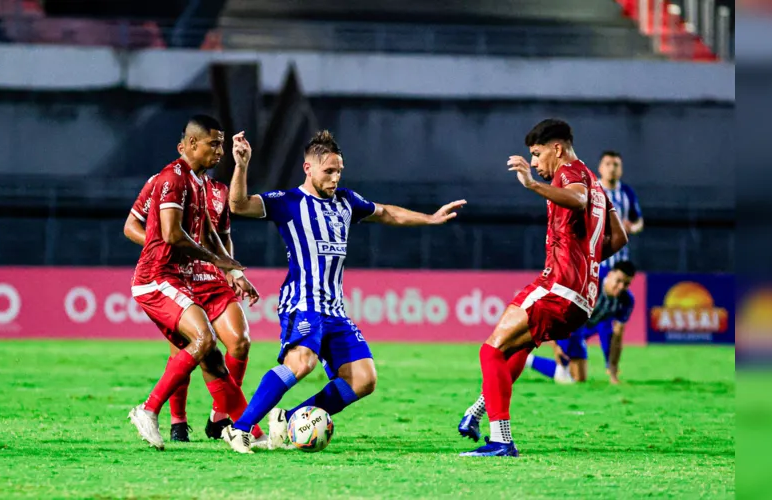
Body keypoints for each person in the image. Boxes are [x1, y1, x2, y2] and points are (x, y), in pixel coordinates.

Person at [219, 129, 467, 453]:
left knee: (364, 379)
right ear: (308, 168)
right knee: (302, 362)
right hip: (302, 302)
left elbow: (387, 212)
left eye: (339, 171)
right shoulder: (288, 202)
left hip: (335, 309)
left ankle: (289, 419)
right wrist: (241, 165)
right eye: (328, 171)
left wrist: (430, 219)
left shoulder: (346, 201)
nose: (335, 178)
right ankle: (239, 429)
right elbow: (238, 204)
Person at [459, 119, 628, 458]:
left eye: (536, 155)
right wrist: (587, 258)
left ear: (557, 149)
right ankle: (478, 411)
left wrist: (532, 185)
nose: (534, 163)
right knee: (516, 349)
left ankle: (501, 440)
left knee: (490, 350)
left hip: (559, 286)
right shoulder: (598, 185)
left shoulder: (571, 175)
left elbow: (577, 200)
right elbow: (620, 238)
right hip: (583, 299)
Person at [126, 115, 256, 451]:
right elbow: (171, 235)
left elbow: (212, 233)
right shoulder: (171, 178)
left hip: (178, 279)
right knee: (203, 338)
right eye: (214, 144)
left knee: (213, 358)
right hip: (156, 277)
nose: (220, 151)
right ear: (192, 144)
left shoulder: (199, 183)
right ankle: (150, 410)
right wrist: (214, 260)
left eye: (222, 144)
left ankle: (245, 431)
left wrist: (232, 267)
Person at [457, 261, 637, 441]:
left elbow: (616, 337)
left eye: (626, 284)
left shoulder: (625, 301)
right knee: (495, 351)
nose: (620, 287)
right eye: (618, 281)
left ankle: (477, 415)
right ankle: (496, 433)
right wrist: (556, 344)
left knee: (575, 376)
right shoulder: (591, 282)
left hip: (575, 328)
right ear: (611, 274)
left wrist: (612, 366)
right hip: (563, 322)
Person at [597, 151, 643, 271]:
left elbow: (639, 222)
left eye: (616, 165)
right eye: (608, 164)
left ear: (621, 169)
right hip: (596, 260)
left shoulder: (627, 192)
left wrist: (632, 228)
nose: (612, 168)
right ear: (600, 168)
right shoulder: (591, 190)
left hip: (621, 260)